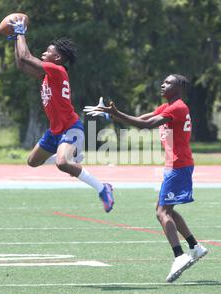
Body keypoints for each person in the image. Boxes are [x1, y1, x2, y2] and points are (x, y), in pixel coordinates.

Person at [85, 74, 208, 282]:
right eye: (164, 81)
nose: (163, 84)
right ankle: (195, 246)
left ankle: (179, 255)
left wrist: (115, 114)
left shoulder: (177, 107)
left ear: (179, 88)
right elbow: (142, 119)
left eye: (168, 82)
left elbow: (146, 126)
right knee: (166, 208)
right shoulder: (168, 106)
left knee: (162, 211)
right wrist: (112, 115)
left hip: (178, 165)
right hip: (177, 164)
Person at [7, 17, 114, 212]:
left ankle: (102, 188)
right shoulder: (47, 75)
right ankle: (71, 156)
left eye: (48, 51)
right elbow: (21, 65)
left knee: (62, 163)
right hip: (55, 131)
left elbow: (26, 57)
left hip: (71, 127)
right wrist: (16, 37)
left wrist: (21, 33)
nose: (44, 53)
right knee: (32, 162)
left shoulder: (57, 70)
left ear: (57, 58)